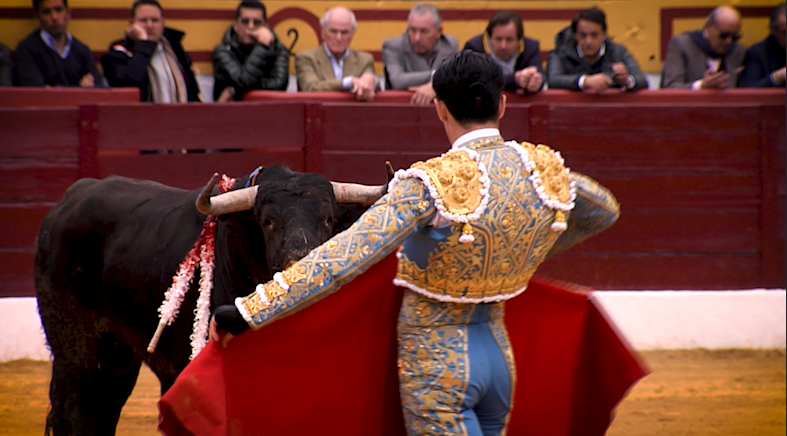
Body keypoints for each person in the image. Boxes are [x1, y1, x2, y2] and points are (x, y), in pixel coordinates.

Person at [211, 50, 620, 436]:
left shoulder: (430, 183)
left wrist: (250, 310)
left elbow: (342, 257)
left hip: (438, 365)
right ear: (502, 104)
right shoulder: (539, 170)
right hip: (498, 355)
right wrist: (520, 247)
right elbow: (604, 210)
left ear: (439, 107)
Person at [102, 0, 201, 102]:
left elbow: (193, 93)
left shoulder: (176, 52)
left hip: (179, 116)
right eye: (143, 20)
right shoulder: (118, 53)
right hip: (141, 116)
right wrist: (144, 44)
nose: (149, 25)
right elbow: (129, 82)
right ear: (131, 23)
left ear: (163, 22)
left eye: (155, 20)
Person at [547, 7, 648, 93]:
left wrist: (626, 80)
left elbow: (642, 80)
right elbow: (553, 80)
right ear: (575, 35)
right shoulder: (560, 54)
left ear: (604, 35)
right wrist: (585, 81)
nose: (588, 41)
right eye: (583, 35)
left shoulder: (618, 51)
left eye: (594, 35)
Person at [13, 0, 104, 87]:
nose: (54, 17)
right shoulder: (27, 50)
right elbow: (36, 93)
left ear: (68, 13)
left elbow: (98, 88)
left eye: (59, 10)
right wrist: (79, 89)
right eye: (47, 12)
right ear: (37, 17)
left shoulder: (82, 51)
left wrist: (53, 89)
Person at [211, 0, 289, 102]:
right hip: (231, 113)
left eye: (256, 22)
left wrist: (235, 90)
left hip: (267, 111)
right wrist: (262, 46)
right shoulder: (222, 52)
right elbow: (244, 81)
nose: (250, 27)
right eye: (245, 21)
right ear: (236, 25)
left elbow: (279, 86)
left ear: (265, 26)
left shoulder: (278, 50)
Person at [294, 7, 377, 101]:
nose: (339, 38)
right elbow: (311, 88)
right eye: (333, 31)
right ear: (323, 32)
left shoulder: (364, 59)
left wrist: (371, 79)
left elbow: (374, 86)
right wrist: (349, 82)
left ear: (352, 34)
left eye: (344, 32)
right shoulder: (306, 58)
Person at [382, 4, 459, 104]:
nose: (417, 38)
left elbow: (460, 79)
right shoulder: (393, 46)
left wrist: (435, 87)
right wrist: (437, 77)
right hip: (404, 110)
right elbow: (398, 81)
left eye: (424, 31)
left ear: (439, 31)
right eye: (413, 30)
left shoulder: (450, 45)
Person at [660, 6, 745, 89]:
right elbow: (671, 87)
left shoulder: (738, 51)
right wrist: (701, 86)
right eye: (723, 35)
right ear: (708, 26)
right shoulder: (683, 45)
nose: (728, 42)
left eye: (734, 37)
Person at [463, 11, 543, 93]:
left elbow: (539, 76)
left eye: (509, 40)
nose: (503, 46)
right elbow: (475, 82)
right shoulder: (473, 48)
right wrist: (514, 80)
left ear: (519, 40)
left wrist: (534, 81)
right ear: (489, 38)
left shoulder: (530, 48)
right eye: (498, 39)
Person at [738, 4, 786, 87]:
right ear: (773, 30)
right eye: (785, 33)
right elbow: (748, 91)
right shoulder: (757, 53)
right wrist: (777, 77)